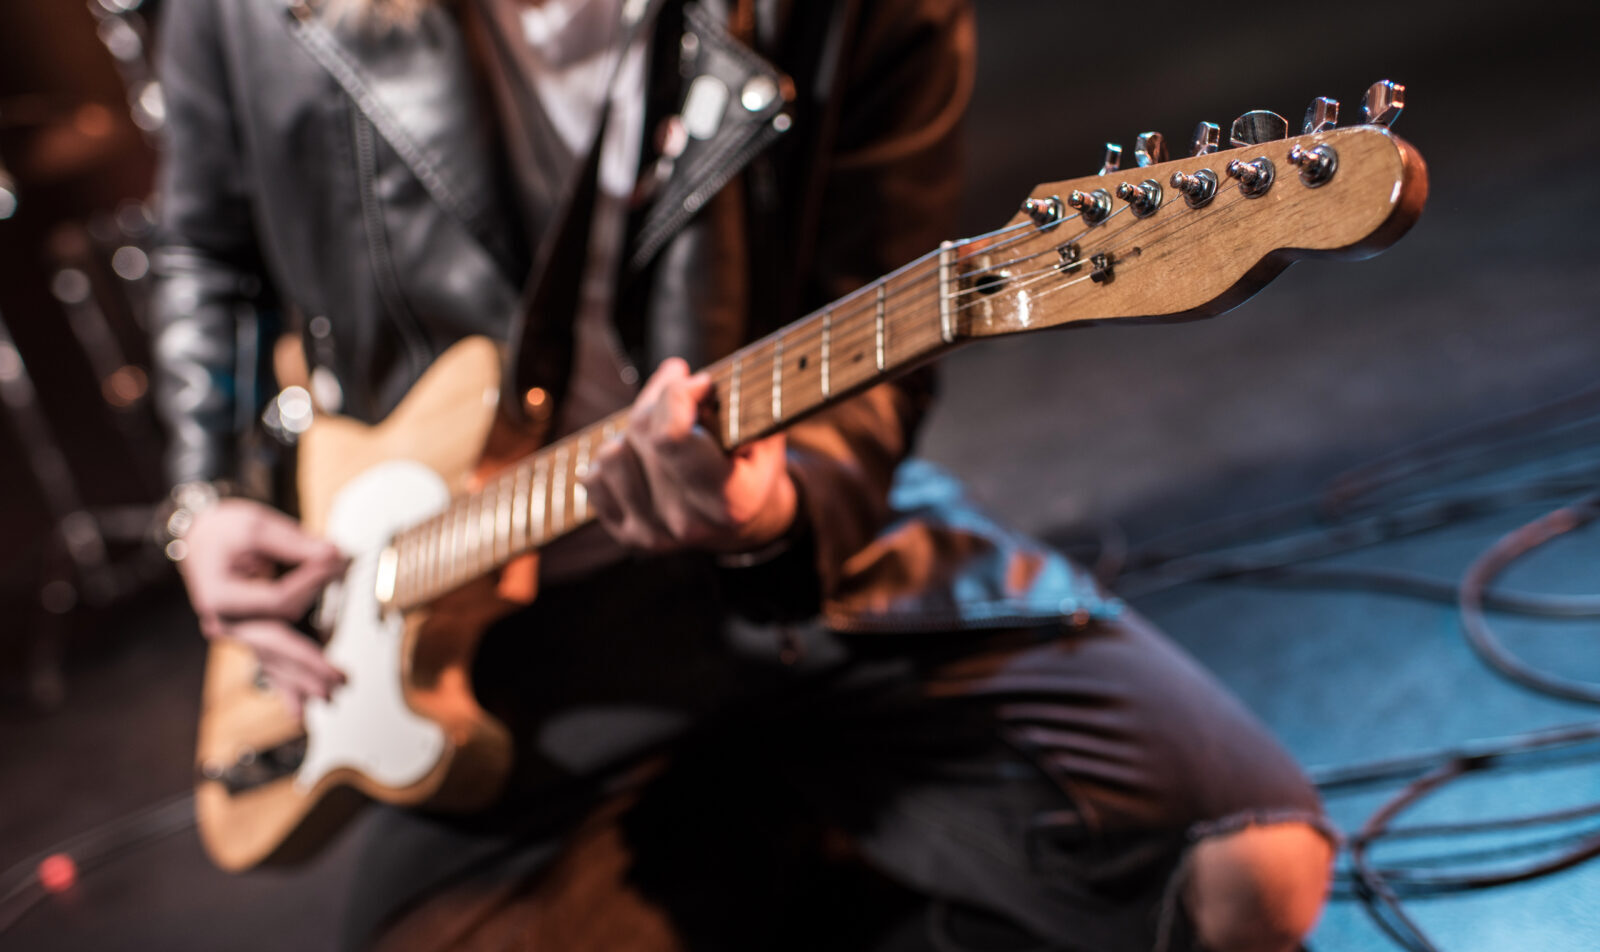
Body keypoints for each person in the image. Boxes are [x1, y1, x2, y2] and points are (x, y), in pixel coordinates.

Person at [151, 0, 1335, 949]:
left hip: (800, 562)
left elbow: (871, 351)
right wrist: (203, 500)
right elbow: (205, 252)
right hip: (501, 640)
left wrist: (773, 510)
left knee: (1247, 877)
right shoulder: (247, 13)